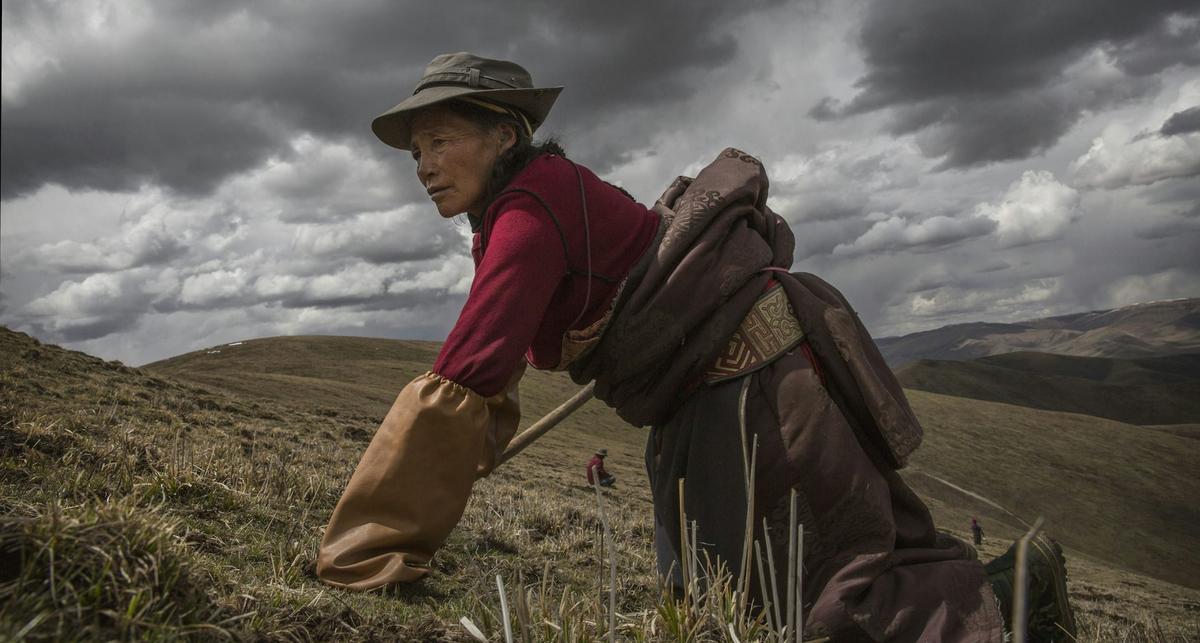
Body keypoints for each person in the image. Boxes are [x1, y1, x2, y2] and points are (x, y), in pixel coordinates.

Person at [315, 52, 1076, 642]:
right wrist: (468, 446)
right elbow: (493, 365)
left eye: (440, 141)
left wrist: (367, 550)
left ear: (504, 134)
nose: (423, 166)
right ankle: (1015, 588)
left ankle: (1018, 599)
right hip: (736, 392)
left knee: (814, 602)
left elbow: (469, 368)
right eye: (416, 151)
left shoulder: (529, 210)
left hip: (761, 402)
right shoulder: (528, 204)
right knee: (749, 590)